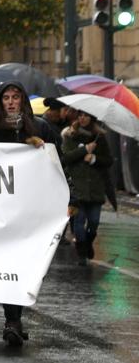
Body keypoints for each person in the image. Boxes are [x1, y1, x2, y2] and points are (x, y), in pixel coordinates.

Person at [0, 82, 48, 347]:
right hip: (1, 206)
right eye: (6, 97)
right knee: (7, 262)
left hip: (29, 205)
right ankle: (12, 320)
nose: (11, 101)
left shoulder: (39, 126)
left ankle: (16, 318)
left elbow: (55, 163)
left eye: (16, 97)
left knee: (25, 265)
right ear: (0, 101)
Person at [61, 109, 113, 267]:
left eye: (86, 115)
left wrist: (94, 158)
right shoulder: (70, 135)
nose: (82, 118)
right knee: (78, 223)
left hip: (95, 187)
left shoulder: (100, 137)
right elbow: (66, 158)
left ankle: (88, 243)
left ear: (92, 118)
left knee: (94, 222)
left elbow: (108, 160)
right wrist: (84, 150)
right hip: (77, 188)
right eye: (80, 115)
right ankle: (82, 253)